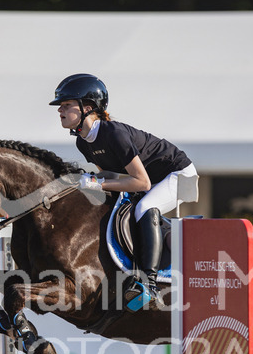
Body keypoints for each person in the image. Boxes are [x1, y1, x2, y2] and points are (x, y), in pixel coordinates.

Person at [50, 73, 197, 309]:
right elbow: (111, 175)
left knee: (145, 207)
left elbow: (142, 183)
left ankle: (148, 282)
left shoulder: (113, 133)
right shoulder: (83, 141)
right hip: (152, 179)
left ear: (87, 107)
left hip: (179, 174)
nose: (60, 110)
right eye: (60, 106)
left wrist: (98, 184)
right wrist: (85, 180)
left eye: (66, 105)